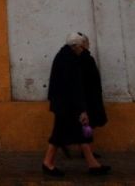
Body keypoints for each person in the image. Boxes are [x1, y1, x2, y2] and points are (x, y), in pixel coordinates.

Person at [41, 32, 111, 177]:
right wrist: (82, 110)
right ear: (77, 47)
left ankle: (93, 165)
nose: (85, 50)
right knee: (58, 136)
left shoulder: (65, 57)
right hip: (67, 106)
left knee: (76, 134)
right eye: (83, 47)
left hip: (64, 104)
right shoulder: (69, 62)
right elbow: (74, 87)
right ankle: (47, 163)